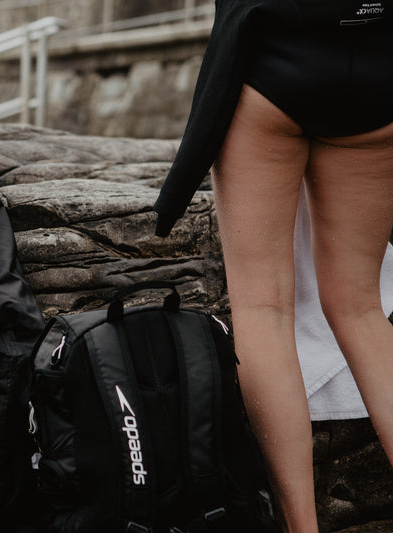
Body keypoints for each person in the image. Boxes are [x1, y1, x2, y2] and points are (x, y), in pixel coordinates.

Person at [152, 1, 393, 532]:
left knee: (263, 310)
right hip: (378, 64)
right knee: (361, 308)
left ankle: (300, 527)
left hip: (272, 67)